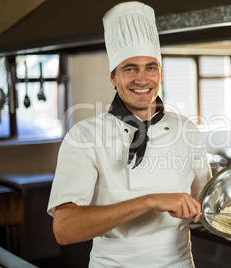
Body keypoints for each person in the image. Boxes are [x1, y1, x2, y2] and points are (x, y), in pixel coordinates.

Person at [47, 2, 211, 267]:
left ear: (160, 73)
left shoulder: (186, 130)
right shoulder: (85, 136)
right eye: (130, 68)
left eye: (150, 67)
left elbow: (207, 205)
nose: (142, 79)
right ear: (113, 78)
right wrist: (149, 201)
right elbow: (64, 230)